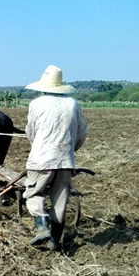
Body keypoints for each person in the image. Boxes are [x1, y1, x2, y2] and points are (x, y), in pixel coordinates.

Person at [23, 65, 88, 250]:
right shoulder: (73, 104)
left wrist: (39, 148)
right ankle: (55, 241)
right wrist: (70, 150)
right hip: (66, 161)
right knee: (60, 200)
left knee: (33, 193)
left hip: (41, 160)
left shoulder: (36, 103)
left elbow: (31, 132)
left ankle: (42, 227)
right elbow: (82, 134)